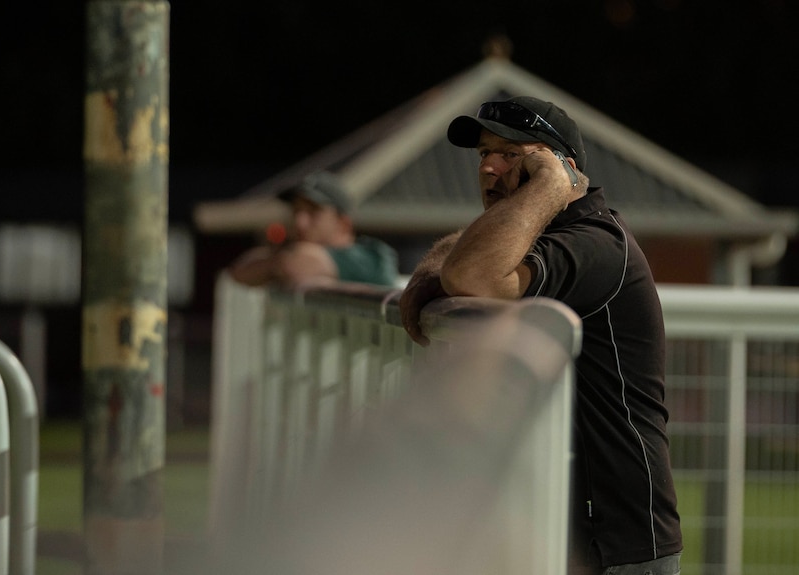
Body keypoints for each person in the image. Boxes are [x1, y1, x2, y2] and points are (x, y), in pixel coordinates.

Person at [398, 96, 683, 575]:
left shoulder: (594, 242)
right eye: (483, 154)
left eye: (511, 154)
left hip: (619, 544)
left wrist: (551, 184)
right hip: (568, 531)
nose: (488, 167)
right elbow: (461, 259)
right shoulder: (542, 237)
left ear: (560, 168)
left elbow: (471, 275)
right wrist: (440, 270)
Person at [228, 170, 399, 288]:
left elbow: (295, 264)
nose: (300, 221)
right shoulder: (294, 250)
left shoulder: (372, 256)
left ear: (343, 223)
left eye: (313, 211)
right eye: (296, 211)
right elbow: (240, 271)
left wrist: (275, 262)